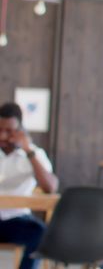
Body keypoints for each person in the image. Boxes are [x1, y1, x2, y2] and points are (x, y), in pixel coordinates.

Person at [0, 102, 58, 269]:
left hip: (17, 220)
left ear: (21, 131)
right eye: (0, 130)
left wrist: (28, 150)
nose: (3, 136)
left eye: (9, 131)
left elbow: (50, 187)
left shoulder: (33, 153)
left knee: (41, 234)